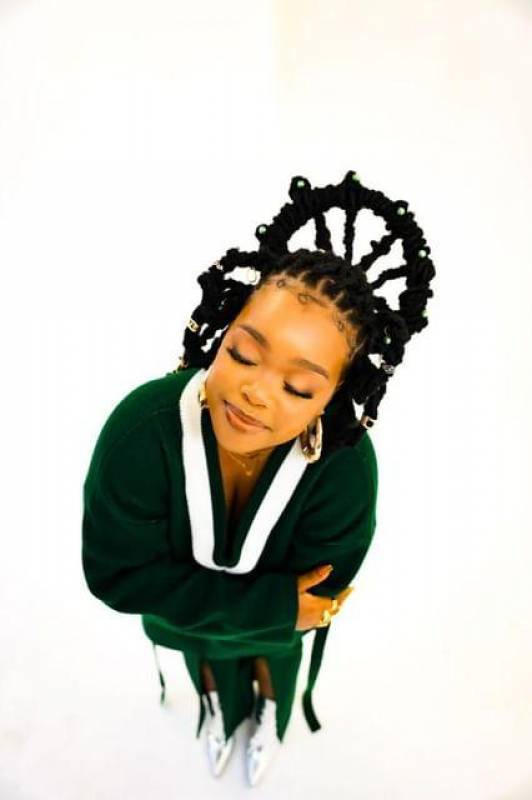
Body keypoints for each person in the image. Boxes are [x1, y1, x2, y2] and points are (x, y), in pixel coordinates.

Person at [81, 169, 435, 786]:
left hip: (251, 631)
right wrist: (274, 604)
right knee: (206, 653)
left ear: (336, 395)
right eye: (242, 353)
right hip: (190, 626)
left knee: (276, 653)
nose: (255, 391)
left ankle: (272, 706)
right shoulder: (142, 433)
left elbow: (321, 598)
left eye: (298, 386)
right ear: (219, 332)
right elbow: (115, 576)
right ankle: (218, 702)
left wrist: (229, 603)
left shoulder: (344, 470)